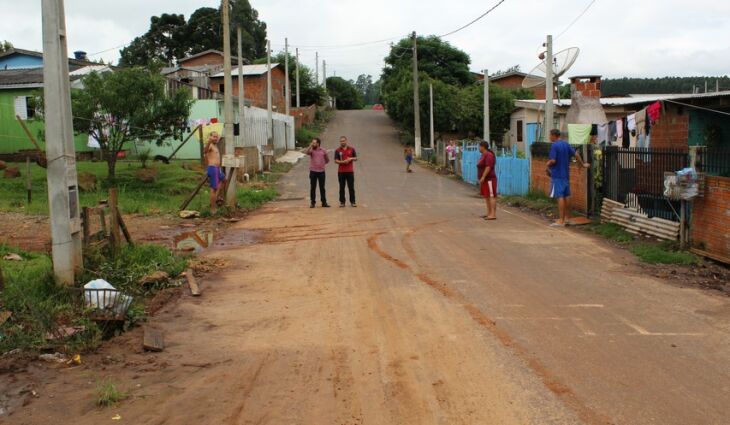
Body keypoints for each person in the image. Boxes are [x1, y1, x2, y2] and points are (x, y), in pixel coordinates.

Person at [546, 129, 590, 227]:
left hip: (557, 175)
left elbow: (553, 160)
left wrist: (547, 164)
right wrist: (582, 164)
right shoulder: (566, 144)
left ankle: (561, 221)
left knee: (560, 196)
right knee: (567, 195)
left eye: (550, 135)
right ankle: (567, 218)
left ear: (554, 135)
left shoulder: (554, 146)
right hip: (565, 175)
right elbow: (576, 154)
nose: (549, 137)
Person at [204, 131, 226, 214]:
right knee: (213, 189)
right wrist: (209, 140)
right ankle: (212, 209)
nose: (216, 138)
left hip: (217, 168)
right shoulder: (210, 145)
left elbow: (219, 137)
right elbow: (205, 151)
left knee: (224, 180)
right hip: (212, 168)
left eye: (216, 137)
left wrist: (217, 137)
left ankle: (215, 198)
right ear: (210, 137)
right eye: (214, 136)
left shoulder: (215, 145)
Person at [306, 138, 330, 208]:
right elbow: (307, 152)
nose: (313, 144)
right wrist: (310, 146)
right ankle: (312, 203)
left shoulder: (323, 151)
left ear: (318, 143)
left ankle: (324, 202)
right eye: (312, 142)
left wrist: (321, 164)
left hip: (321, 172)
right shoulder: (311, 151)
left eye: (314, 143)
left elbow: (327, 160)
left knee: (322, 187)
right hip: (313, 172)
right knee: (313, 187)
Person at [334, 136, 358, 207]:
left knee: (351, 187)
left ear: (346, 141)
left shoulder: (352, 149)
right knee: (341, 187)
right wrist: (342, 162)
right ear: (340, 142)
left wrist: (350, 158)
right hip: (341, 172)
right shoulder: (337, 150)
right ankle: (342, 202)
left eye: (343, 141)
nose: (342, 142)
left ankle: (353, 202)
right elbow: (335, 160)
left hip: (350, 171)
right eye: (341, 141)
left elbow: (356, 158)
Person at [477, 141, 497, 220]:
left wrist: (483, 176)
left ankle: (493, 214)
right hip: (486, 179)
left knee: (492, 196)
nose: (479, 148)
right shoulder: (483, 155)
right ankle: (489, 213)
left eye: (479, 147)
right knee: (487, 196)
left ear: (483, 147)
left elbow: (488, 167)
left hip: (489, 179)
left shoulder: (489, 155)